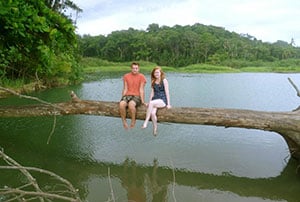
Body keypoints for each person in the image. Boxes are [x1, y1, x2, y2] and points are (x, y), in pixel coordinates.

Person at [142, 66, 171, 135]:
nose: (156, 74)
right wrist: (149, 102)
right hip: (155, 100)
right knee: (152, 113)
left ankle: (146, 122)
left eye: (158, 72)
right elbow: (152, 93)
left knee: (152, 103)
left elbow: (167, 92)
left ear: (161, 73)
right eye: (155, 73)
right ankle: (155, 128)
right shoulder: (153, 81)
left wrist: (168, 104)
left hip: (162, 100)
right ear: (153, 74)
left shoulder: (164, 80)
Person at [119, 62, 147, 129]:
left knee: (131, 105)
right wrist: (122, 98)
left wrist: (143, 101)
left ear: (138, 69)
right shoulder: (126, 76)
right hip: (128, 95)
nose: (135, 70)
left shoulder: (142, 77)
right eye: (133, 68)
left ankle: (133, 120)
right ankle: (124, 121)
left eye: (136, 68)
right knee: (121, 104)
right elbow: (125, 88)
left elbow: (141, 90)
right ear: (131, 69)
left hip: (137, 96)